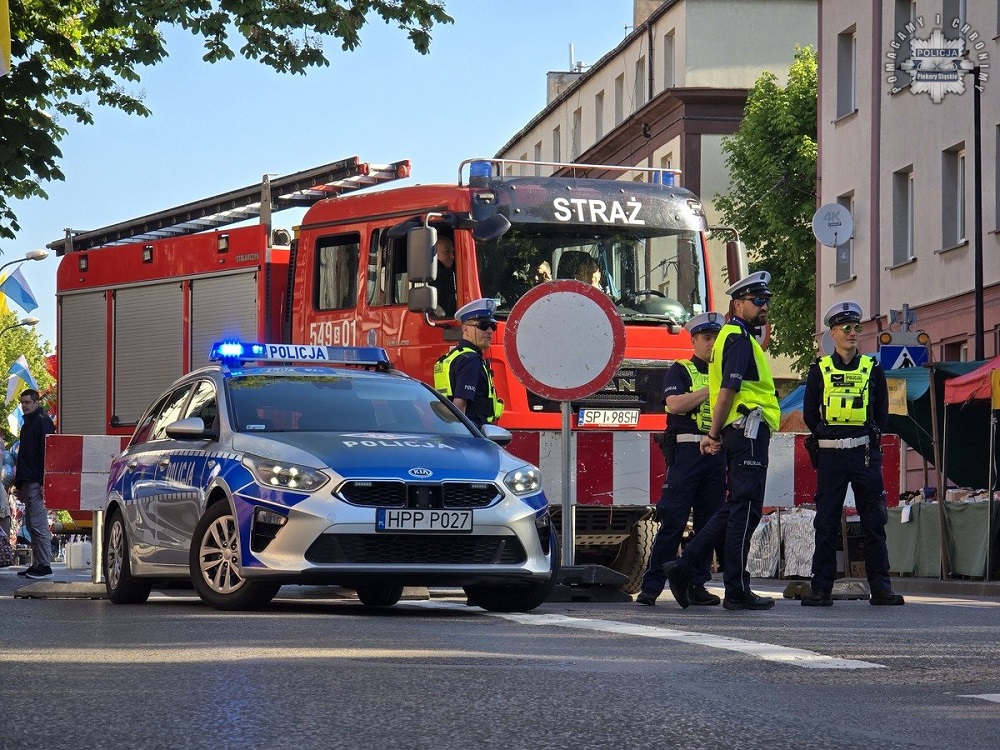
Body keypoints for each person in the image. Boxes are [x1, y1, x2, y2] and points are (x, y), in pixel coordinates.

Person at [663, 271, 781, 611]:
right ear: (738, 303)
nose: (764, 307)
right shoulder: (737, 338)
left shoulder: (735, 337)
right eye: (758, 301)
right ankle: (736, 590)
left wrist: (717, 433)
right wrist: (712, 435)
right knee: (745, 511)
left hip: (741, 429)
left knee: (735, 508)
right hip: (748, 429)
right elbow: (727, 391)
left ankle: (686, 567)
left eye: (766, 301)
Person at [801, 301, 904, 606]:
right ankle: (821, 588)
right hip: (832, 456)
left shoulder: (873, 368)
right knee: (826, 522)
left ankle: (881, 588)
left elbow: (881, 414)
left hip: (864, 455)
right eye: (846, 328)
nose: (852, 333)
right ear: (832, 333)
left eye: (856, 327)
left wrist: (862, 436)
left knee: (874, 520)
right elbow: (810, 415)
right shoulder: (819, 369)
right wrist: (830, 436)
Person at [637, 311, 726, 606]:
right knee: (673, 520)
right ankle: (651, 587)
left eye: (716, 338)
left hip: (716, 454)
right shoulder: (682, 369)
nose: (712, 344)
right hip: (687, 453)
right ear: (694, 341)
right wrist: (710, 390)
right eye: (706, 338)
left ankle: (697, 586)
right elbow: (675, 405)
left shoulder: (729, 372)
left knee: (708, 524)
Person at [433, 298, 504, 430]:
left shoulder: (456, 355)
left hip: (451, 431)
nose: (489, 331)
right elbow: (459, 406)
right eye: (483, 325)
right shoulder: (471, 360)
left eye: (492, 326)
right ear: (465, 329)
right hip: (472, 433)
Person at [14, 388, 56, 579]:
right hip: (29, 481)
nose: (24, 406)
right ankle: (37, 563)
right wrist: (20, 484)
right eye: (22, 403)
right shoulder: (29, 424)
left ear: (36, 402)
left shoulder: (42, 422)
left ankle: (45, 565)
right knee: (31, 526)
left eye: (27, 402)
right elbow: (25, 457)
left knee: (39, 525)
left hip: (37, 481)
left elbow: (47, 453)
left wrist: (42, 481)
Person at [430, 235, 457, 318]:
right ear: (433, 253)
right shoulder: (444, 275)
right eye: (447, 251)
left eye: (453, 252)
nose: (452, 256)